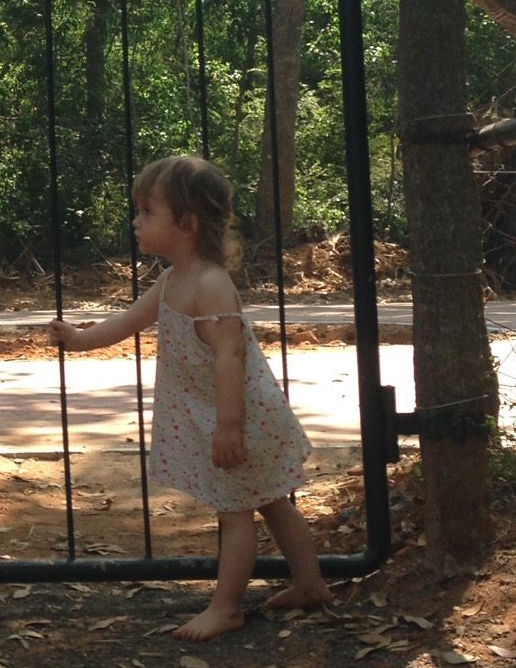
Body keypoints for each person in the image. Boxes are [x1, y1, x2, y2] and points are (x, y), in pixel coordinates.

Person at [48, 154, 331, 641]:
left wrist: (228, 426)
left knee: (236, 513)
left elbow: (229, 357)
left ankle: (226, 608)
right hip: (221, 416)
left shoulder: (211, 285)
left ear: (187, 224)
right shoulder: (172, 279)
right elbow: (128, 321)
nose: (136, 221)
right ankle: (310, 584)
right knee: (271, 502)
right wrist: (78, 339)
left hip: (239, 417)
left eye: (147, 212)